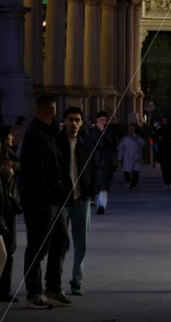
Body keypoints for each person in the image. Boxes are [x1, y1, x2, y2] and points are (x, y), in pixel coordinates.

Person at [20, 95, 72, 308]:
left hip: (54, 201)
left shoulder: (47, 133)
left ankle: (53, 287)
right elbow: (37, 173)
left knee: (61, 241)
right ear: (52, 110)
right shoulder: (35, 135)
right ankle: (34, 291)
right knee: (38, 246)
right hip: (40, 202)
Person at [58, 107, 97, 296]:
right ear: (64, 121)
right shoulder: (57, 143)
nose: (73, 123)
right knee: (60, 243)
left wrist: (91, 191)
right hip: (63, 201)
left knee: (81, 243)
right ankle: (55, 283)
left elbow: (95, 167)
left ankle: (77, 281)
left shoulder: (86, 143)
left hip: (82, 199)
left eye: (77, 120)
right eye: (70, 119)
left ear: (81, 123)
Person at [0, 125, 21, 302]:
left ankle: (4, 289)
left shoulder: (9, 154)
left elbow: (22, 166)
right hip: (2, 209)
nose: (12, 137)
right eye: (9, 135)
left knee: (10, 248)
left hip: (10, 208)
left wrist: (13, 165)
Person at [86, 111, 117, 215]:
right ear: (97, 119)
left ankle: (102, 205)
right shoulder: (91, 130)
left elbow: (112, 143)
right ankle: (95, 200)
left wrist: (103, 132)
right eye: (101, 120)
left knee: (103, 183)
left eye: (105, 120)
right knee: (95, 181)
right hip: (94, 159)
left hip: (105, 160)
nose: (103, 122)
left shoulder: (109, 130)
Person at [156, 116, 171, 190]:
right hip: (163, 152)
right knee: (164, 168)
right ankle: (166, 182)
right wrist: (158, 138)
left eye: (165, 120)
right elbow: (156, 137)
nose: (164, 122)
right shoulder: (159, 129)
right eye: (163, 121)